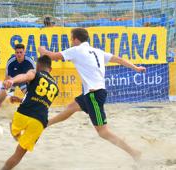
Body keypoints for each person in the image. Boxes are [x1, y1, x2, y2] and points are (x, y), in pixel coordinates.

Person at [38, 28, 145, 161]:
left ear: (76, 39)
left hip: (94, 95)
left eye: (71, 39)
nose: (71, 41)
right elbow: (119, 59)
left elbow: (52, 56)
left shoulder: (77, 50)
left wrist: (42, 50)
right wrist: (135, 67)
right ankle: (44, 124)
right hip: (93, 93)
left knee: (103, 132)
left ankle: (134, 153)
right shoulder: (97, 51)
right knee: (71, 107)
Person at [1, 55, 59, 170]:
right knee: (18, 155)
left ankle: (19, 138)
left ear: (37, 66)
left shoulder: (35, 72)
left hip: (24, 114)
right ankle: (22, 142)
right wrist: (20, 99)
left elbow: (25, 76)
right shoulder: (56, 87)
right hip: (40, 121)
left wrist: (12, 80)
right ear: (50, 69)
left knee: (12, 125)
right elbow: (40, 103)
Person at [0, 44, 35, 118]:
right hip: (12, 81)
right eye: (17, 52)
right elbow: (7, 77)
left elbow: (35, 77)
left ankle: (31, 114)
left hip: (25, 81)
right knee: (1, 96)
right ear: (15, 53)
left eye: (21, 52)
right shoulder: (11, 62)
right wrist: (8, 90)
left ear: (24, 52)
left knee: (31, 97)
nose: (19, 54)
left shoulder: (30, 62)